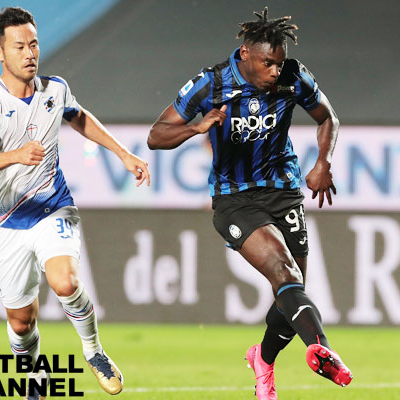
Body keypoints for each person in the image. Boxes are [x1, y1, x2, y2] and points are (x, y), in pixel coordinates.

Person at [148, 7, 352, 400]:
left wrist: (323, 163)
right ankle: (322, 350)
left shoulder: (293, 76)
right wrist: (195, 127)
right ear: (245, 54)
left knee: (291, 293)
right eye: (267, 63)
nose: (275, 71)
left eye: (279, 63)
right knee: (285, 273)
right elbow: (156, 136)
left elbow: (328, 118)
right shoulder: (211, 83)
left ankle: (263, 359)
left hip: (284, 191)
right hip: (234, 198)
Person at [0, 7, 150, 399]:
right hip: (7, 221)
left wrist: (122, 153)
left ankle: (94, 351)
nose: (30, 53)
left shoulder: (55, 89)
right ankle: (33, 376)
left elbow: (78, 117)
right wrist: (15, 155)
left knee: (65, 281)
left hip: (53, 207)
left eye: (34, 44)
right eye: (19, 46)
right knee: (21, 322)